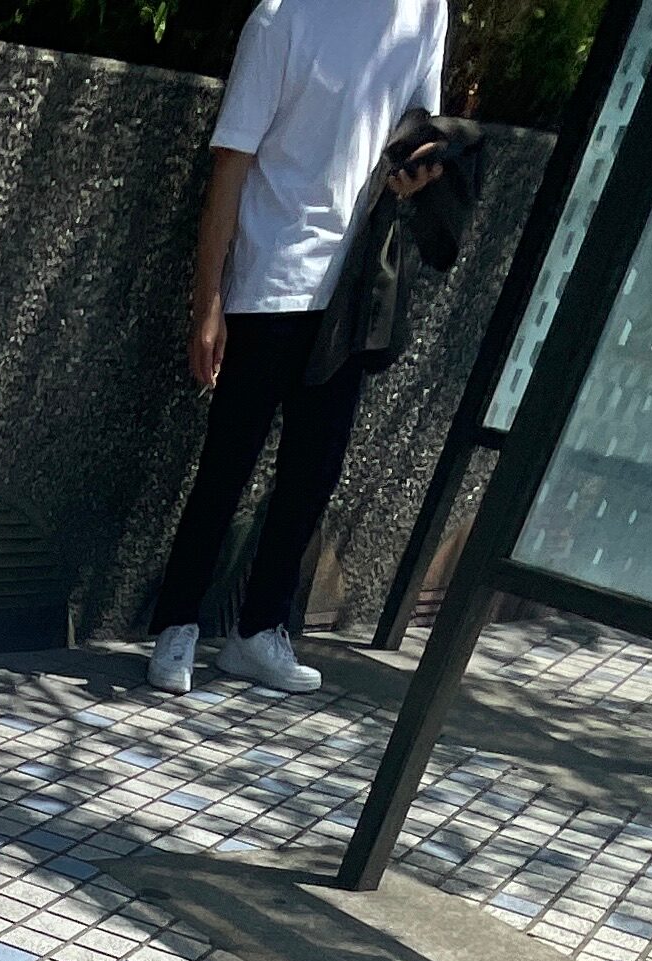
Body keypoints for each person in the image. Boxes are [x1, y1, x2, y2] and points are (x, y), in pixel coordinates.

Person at [149, 0, 453, 698]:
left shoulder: (426, 11)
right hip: (270, 278)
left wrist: (419, 171)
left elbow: (418, 131)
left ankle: (260, 630)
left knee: (312, 475)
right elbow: (231, 165)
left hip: (351, 288)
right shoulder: (282, 17)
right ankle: (177, 624)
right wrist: (208, 301)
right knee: (226, 466)